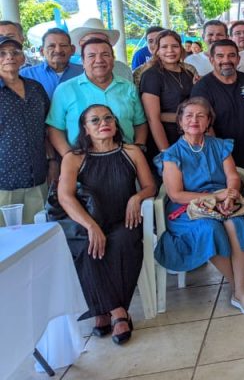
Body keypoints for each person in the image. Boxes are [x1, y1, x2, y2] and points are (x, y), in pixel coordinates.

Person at [154, 97, 244, 315]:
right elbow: (176, 195)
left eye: (200, 115)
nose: (194, 120)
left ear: (208, 121)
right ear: (180, 121)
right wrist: (214, 198)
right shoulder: (172, 155)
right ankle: (241, 289)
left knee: (235, 221)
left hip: (222, 202)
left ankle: (240, 290)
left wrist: (231, 195)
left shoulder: (219, 145)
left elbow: (233, 177)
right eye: (188, 116)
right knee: (209, 228)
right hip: (188, 210)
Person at [56, 105, 157, 344]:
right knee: (89, 248)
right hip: (86, 221)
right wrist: (91, 226)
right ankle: (118, 311)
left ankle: (103, 310)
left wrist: (137, 197)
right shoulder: (74, 157)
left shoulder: (131, 151)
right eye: (95, 120)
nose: (103, 123)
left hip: (123, 219)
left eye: (108, 118)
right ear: (85, 129)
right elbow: (65, 196)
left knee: (123, 243)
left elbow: (150, 186)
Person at [48, 38, 147, 159]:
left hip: (125, 159)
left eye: (105, 55)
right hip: (81, 162)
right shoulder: (65, 89)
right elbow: (55, 128)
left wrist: (138, 148)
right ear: (83, 62)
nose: (99, 60)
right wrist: (70, 157)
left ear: (113, 59)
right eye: (91, 56)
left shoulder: (128, 88)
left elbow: (140, 123)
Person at [190, 40, 244, 171]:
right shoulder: (202, 88)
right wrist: (219, 156)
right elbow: (205, 126)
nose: (226, 60)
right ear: (211, 60)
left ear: (238, 59)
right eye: (220, 56)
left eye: (231, 55)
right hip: (225, 156)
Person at [0, 35, 53, 225]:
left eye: (15, 53)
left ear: (23, 58)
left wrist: (52, 160)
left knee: (38, 237)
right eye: (2, 53)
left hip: (37, 178)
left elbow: (47, 127)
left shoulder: (35, 88)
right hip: (4, 182)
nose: (9, 57)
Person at [139, 31, 196, 168]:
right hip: (165, 139)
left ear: (180, 49)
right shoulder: (151, 75)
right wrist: (166, 153)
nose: (170, 51)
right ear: (157, 51)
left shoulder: (188, 73)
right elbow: (153, 119)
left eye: (174, 46)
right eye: (164, 47)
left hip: (189, 139)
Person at [21, 27, 84, 99]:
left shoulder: (84, 72)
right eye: (51, 46)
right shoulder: (26, 75)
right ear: (42, 51)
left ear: (72, 50)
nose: (58, 50)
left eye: (63, 45)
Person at [69, 18, 133, 82]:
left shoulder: (123, 69)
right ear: (81, 43)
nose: (98, 44)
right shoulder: (70, 72)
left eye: (103, 41)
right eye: (92, 41)